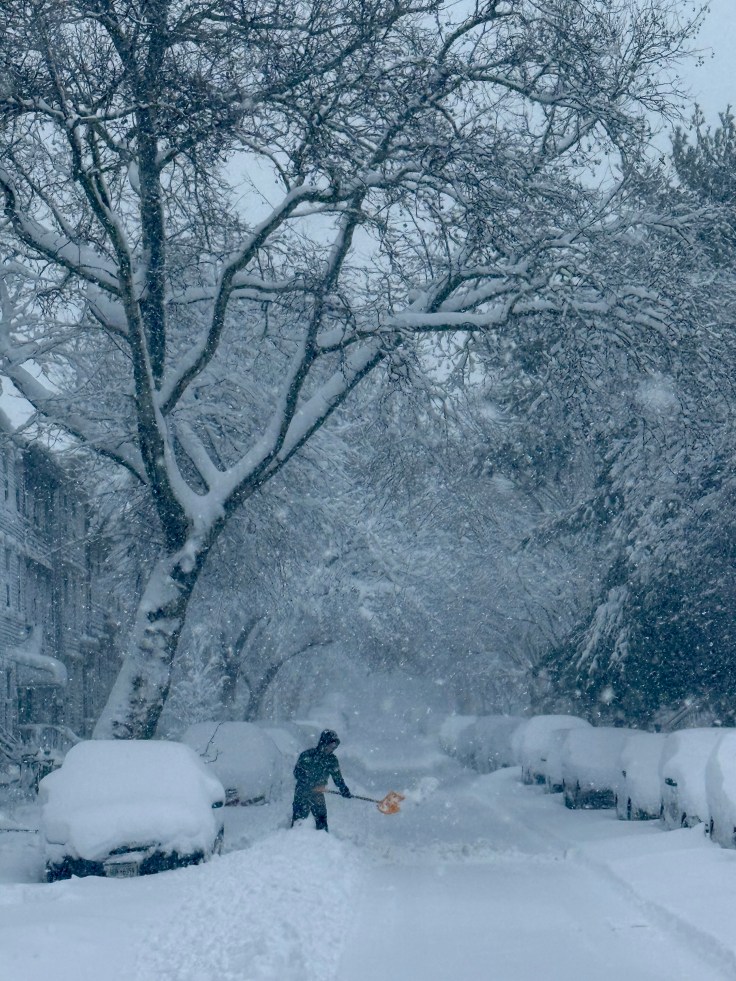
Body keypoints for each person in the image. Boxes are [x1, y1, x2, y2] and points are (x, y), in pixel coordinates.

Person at [291, 729, 352, 831]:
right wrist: (307, 781)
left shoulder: (332, 760)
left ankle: (323, 841)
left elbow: (337, 777)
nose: (332, 749)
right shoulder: (307, 755)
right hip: (302, 793)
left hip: (318, 793)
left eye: (334, 746)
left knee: (321, 820)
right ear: (323, 742)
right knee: (299, 821)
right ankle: (293, 840)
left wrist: (344, 789)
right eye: (330, 745)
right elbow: (297, 772)